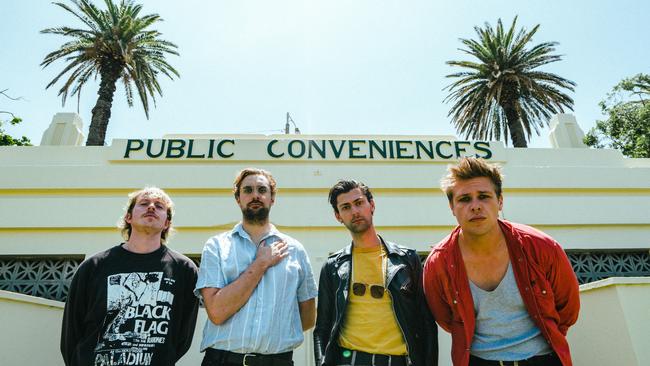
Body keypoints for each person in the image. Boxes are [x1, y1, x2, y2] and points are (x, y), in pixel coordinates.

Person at [423, 157, 580, 366]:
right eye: (464, 199)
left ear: (500, 201)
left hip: (544, 358)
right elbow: (446, 318)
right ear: (452, 207)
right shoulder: (438, 263)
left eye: (484, 196)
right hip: (479, 361)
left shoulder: (540, 247)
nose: (475, 206)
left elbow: (567, 308)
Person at [60, 187, 199, 366]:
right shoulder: (94, 266)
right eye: (143, 203)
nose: (151, 207)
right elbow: (72, 331)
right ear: (128, 217)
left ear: (167, 223)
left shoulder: (184, 269)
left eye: (159, 206)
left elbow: (182, 336)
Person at [196, 168, 318, 366]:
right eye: (248, 190)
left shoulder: (295, 250)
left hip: (277, 362)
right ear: (238, 198)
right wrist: (261, 263)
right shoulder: (216, 246)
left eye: (262, 190)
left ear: (272, 198)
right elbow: (217, 312)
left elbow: (308, 317)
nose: (255, 195)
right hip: (223, 361)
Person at [314, 179, 438, 366]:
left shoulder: (406, 259)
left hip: (399, 361)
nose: (355, 211)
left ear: (371, 205)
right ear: (338, 216)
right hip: (349, 361)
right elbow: (322, 328)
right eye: (346, 207)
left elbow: (426, 323)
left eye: (359, 203)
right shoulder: (333, 267)